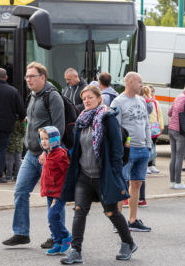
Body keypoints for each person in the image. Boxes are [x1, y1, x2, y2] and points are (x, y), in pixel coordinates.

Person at [61, 85, 137, 264]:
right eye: (84, 98)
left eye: (90, 97)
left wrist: (115, 172)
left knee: (111, 212)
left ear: (99, 99)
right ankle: (75, 251)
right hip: (84, 176)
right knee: (79, 211)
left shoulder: (107, 117)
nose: (86, 101)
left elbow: (117, 149)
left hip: (104, 175)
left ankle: (128, 242)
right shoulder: (81, 120)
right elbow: (77, 148)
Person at [2, 62, 65, 246]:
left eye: (32, 76)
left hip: (48, 155)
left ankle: (57, 236)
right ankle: (21, 233)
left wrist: (49, 152)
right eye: (27, 76)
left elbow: (59, 128)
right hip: (31, 154)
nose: (28, 79)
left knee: (52, 197)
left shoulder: (53, 97)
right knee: (20, 191)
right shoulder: (32, 96)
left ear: (43, 77)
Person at [111, 72, 152, 232]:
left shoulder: (141, 100)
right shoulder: (118, 102)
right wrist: (120, 149)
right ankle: (118, 221)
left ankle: (133, 220)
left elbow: (147, 124)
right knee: (122, 184)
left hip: (142, 149)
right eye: (139, 82)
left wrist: (148, 145)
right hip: (128, 150)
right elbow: (115, 128)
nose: (142, 84)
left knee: (136, 183)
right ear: (129, 82)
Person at [38, 126, 71, 256]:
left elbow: (68, 172)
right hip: (50, 192)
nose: (44, 141)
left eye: (47, 138)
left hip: (59, 193)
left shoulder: (60, 154)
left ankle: (66, 236)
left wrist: (66, 189)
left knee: (52, 216)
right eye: (42, 139)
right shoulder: (48, 153)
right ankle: (58, 243)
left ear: (55, 139)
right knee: (51, 218)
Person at [142, 85, 163, 174]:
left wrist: (161, 125)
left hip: (154, 128)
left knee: (153, 147)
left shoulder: (155, 102)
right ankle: (145, 165)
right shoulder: (144, 101)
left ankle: (151, 165)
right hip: (147, 127)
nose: (151, 93)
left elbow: (159, 114)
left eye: (152, 91)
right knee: (148, 147)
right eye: (150, 91)